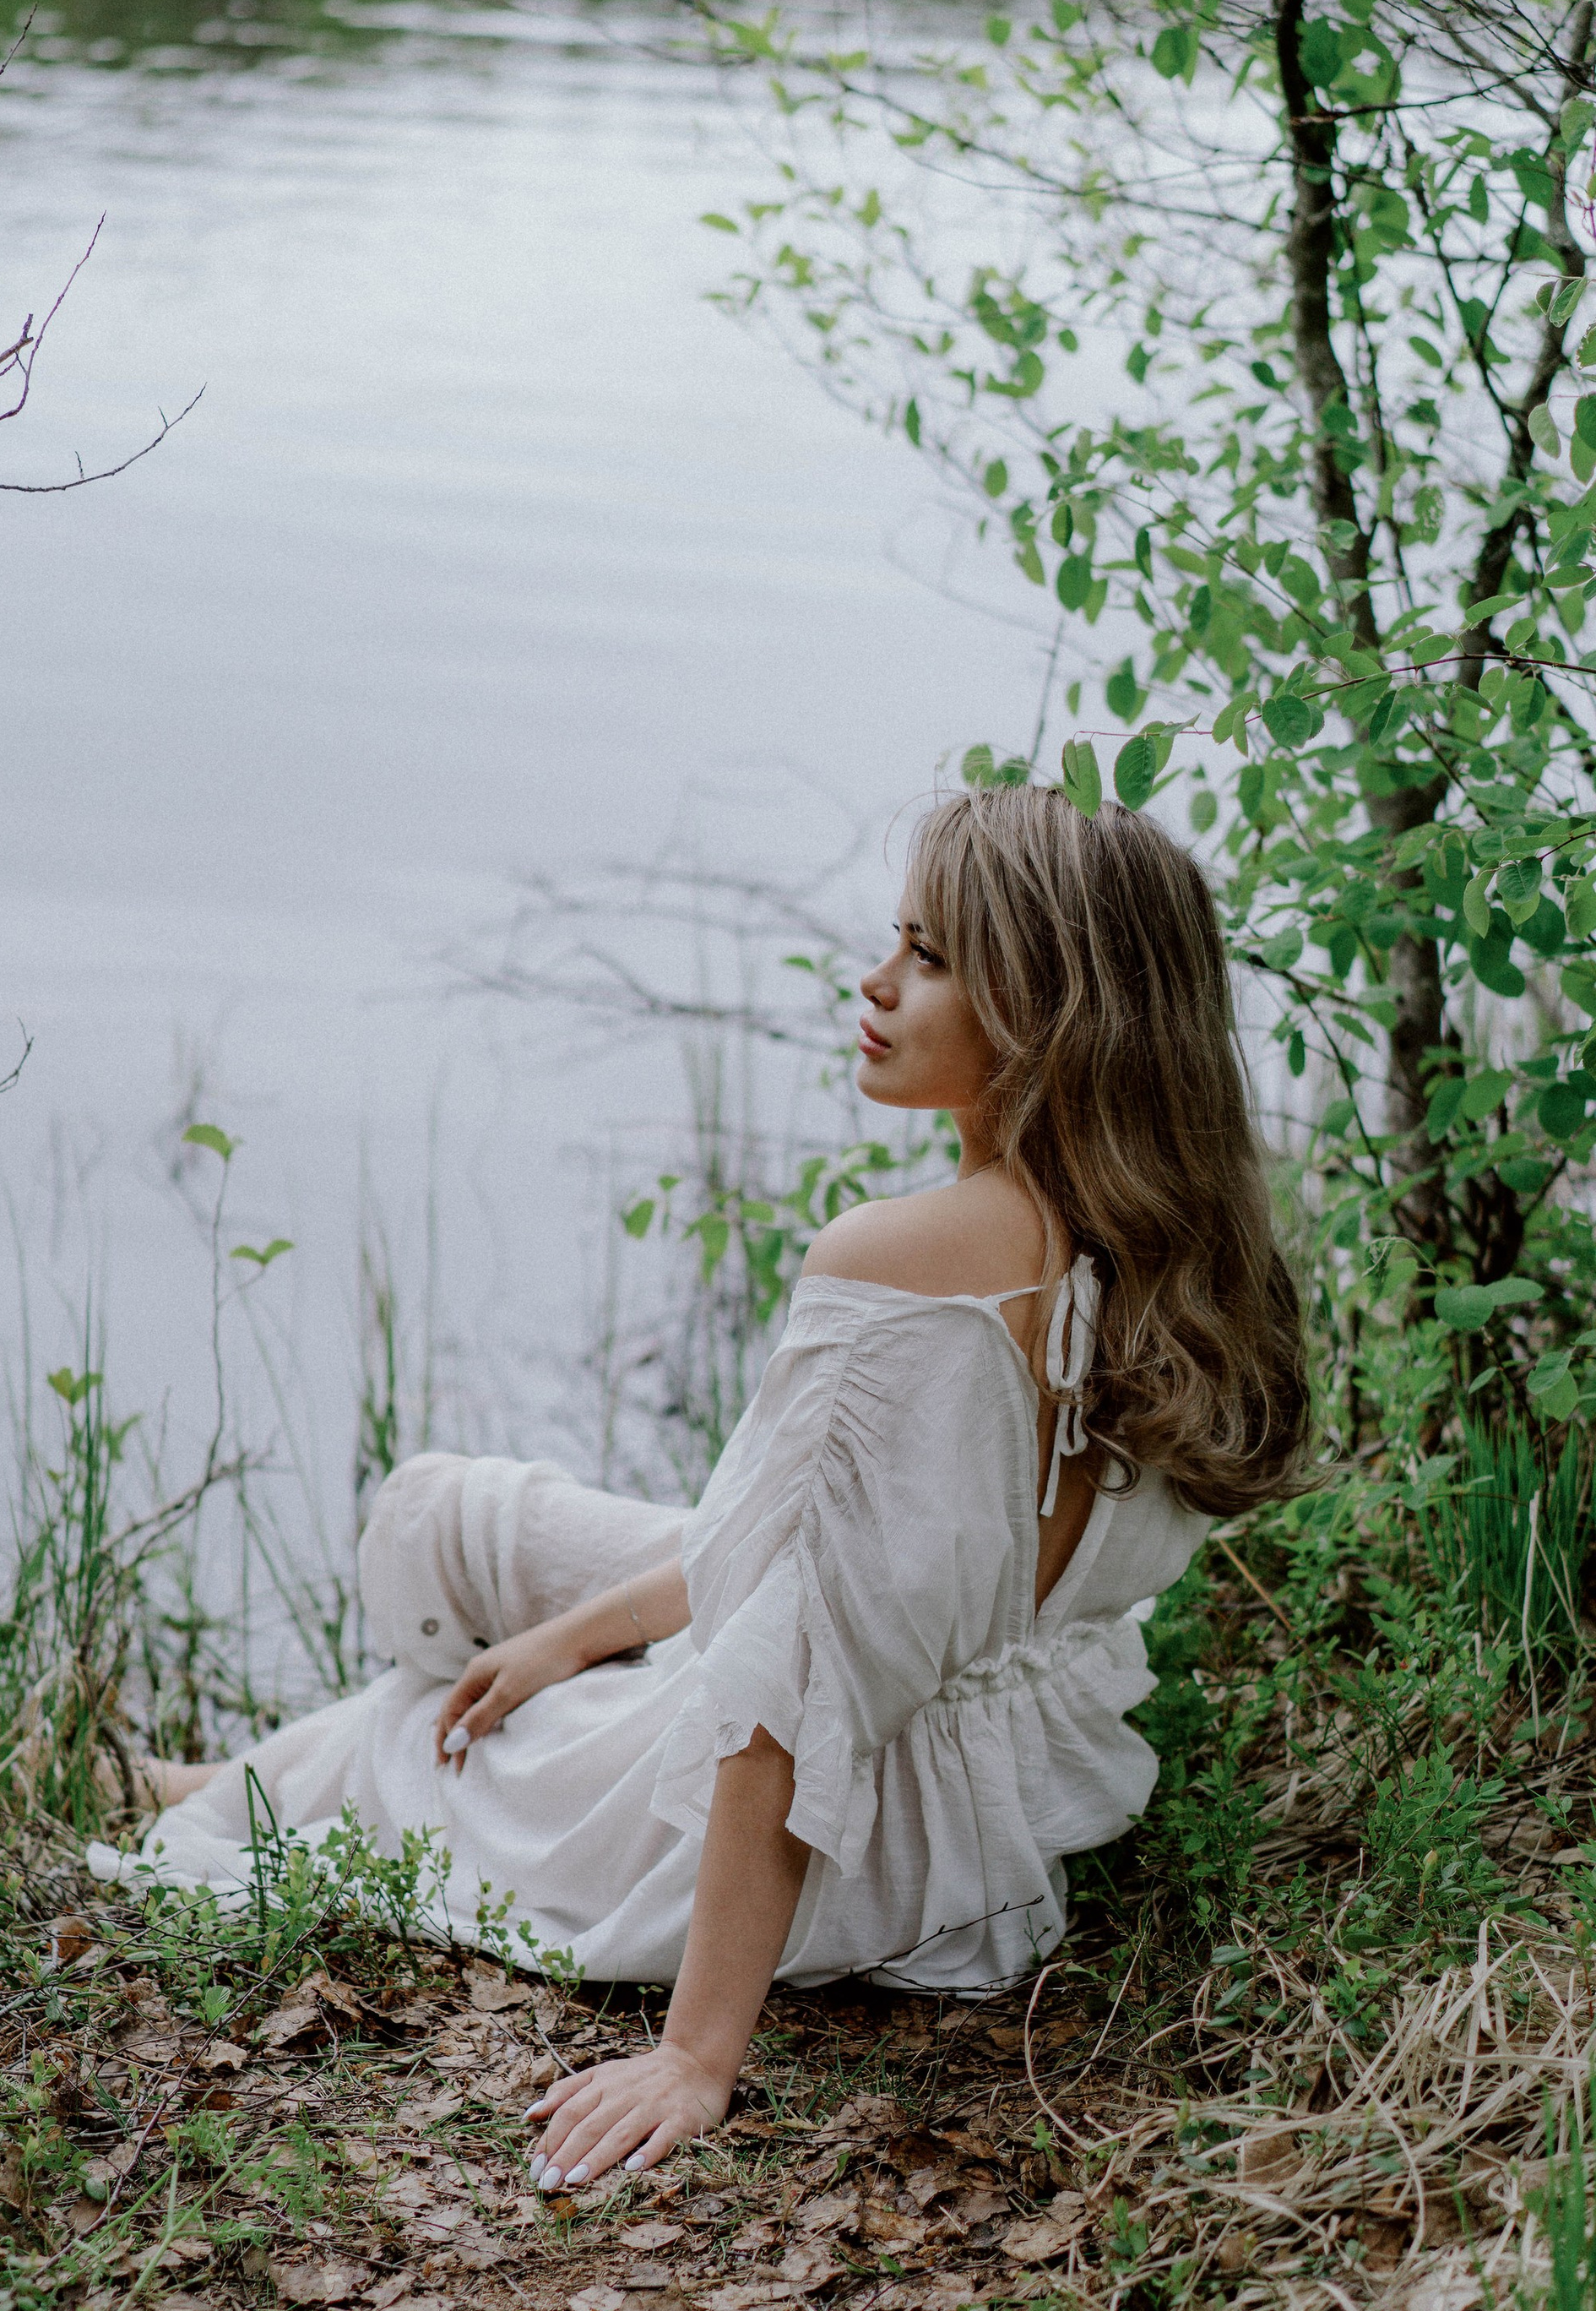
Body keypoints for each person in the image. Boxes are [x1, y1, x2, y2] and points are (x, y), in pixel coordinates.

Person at [90, 786, 1310, 2194]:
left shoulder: (907, 1259)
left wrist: (695, 2054)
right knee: (480, 1552)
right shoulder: (1165, 1257)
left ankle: (268, 1780)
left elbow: (792, 1683)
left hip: (846, 1841)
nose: (875, 981)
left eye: (927, 955)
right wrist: (576, 1632)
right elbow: (837, 1563)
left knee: (429, 1669)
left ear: (1043, 1005)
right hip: (997, 1812)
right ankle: (251, 1767)